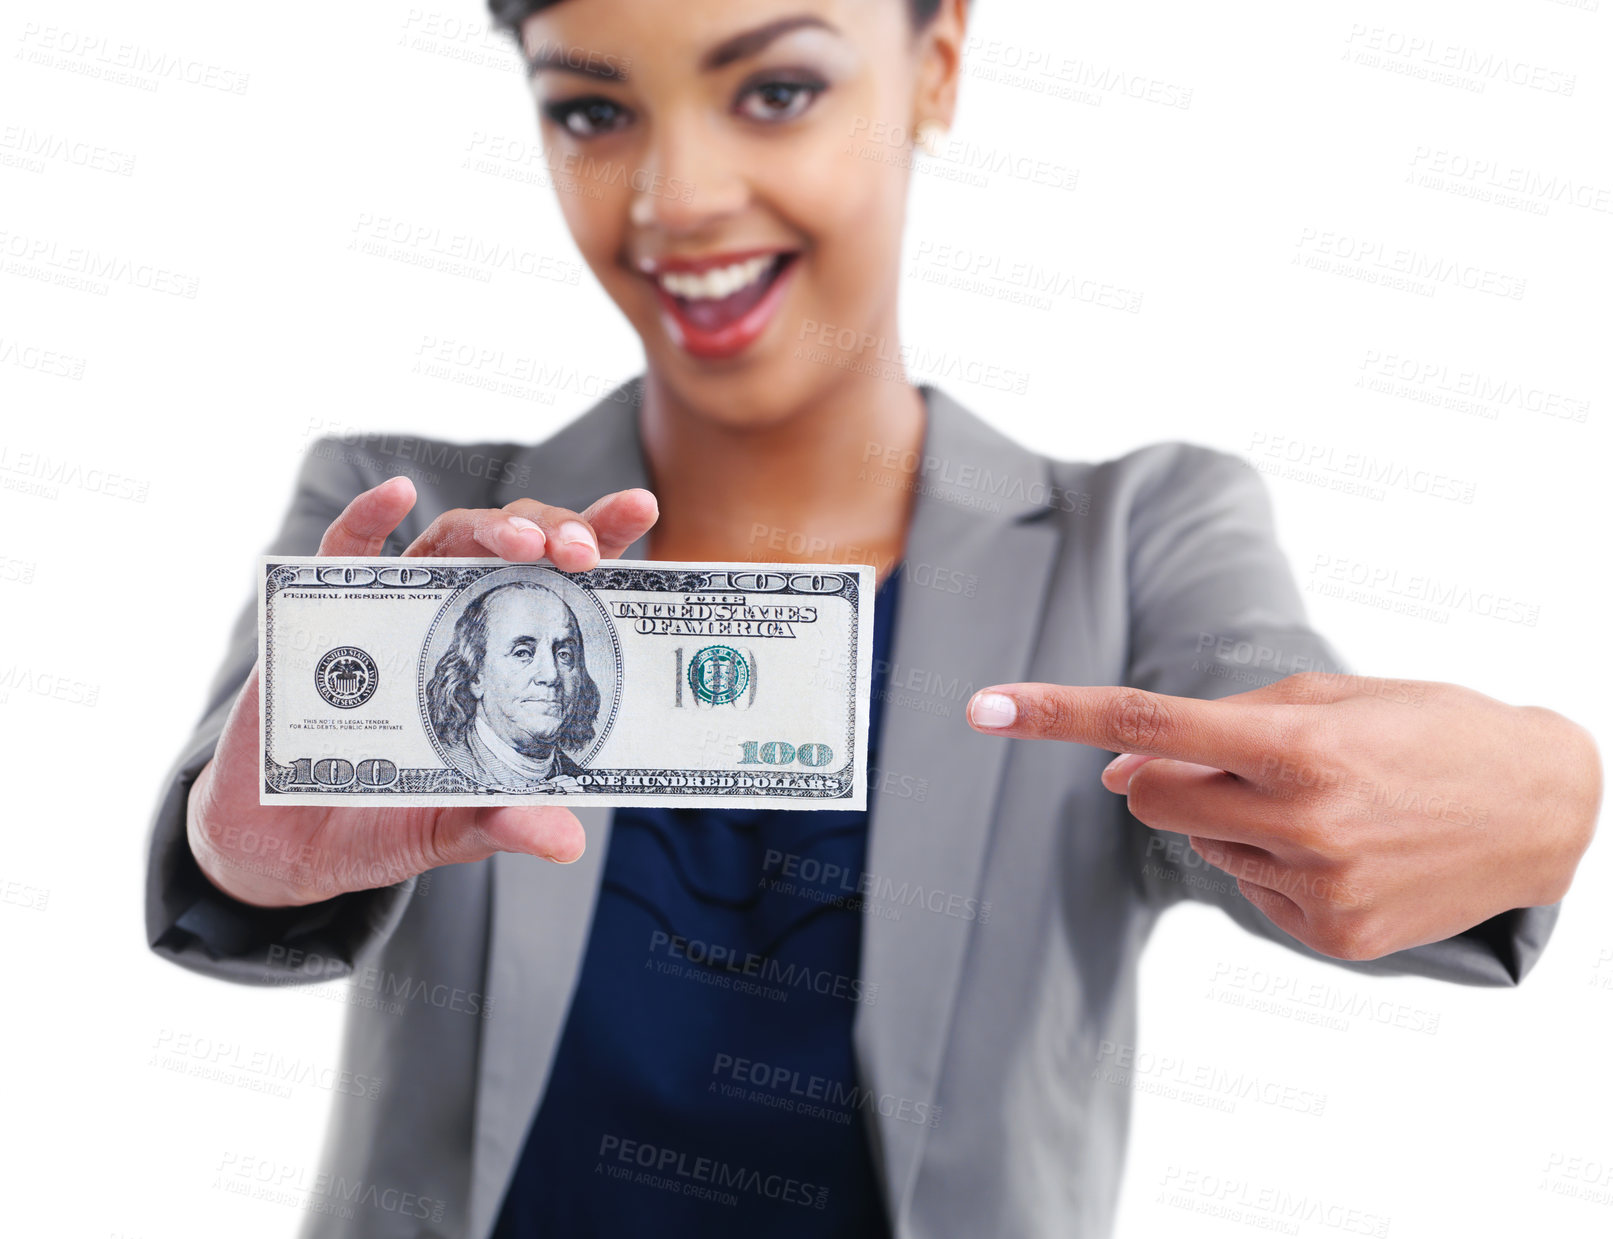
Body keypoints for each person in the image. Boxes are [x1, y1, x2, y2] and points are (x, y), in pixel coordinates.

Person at [144, 1, 1602, 1236]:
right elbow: (232, 843)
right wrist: (244, 835)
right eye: (593, 113)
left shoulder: (1140, 541)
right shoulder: (399, 515)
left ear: (940, 57)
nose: (677, 198)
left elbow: (1298, 757)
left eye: (775, 91)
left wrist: (1543, 785)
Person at [426, 580, 601, 788]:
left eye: (564, 655)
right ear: (475, 675)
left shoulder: (586, 784)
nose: (551, 675)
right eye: (522, 653)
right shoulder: (448, 772)